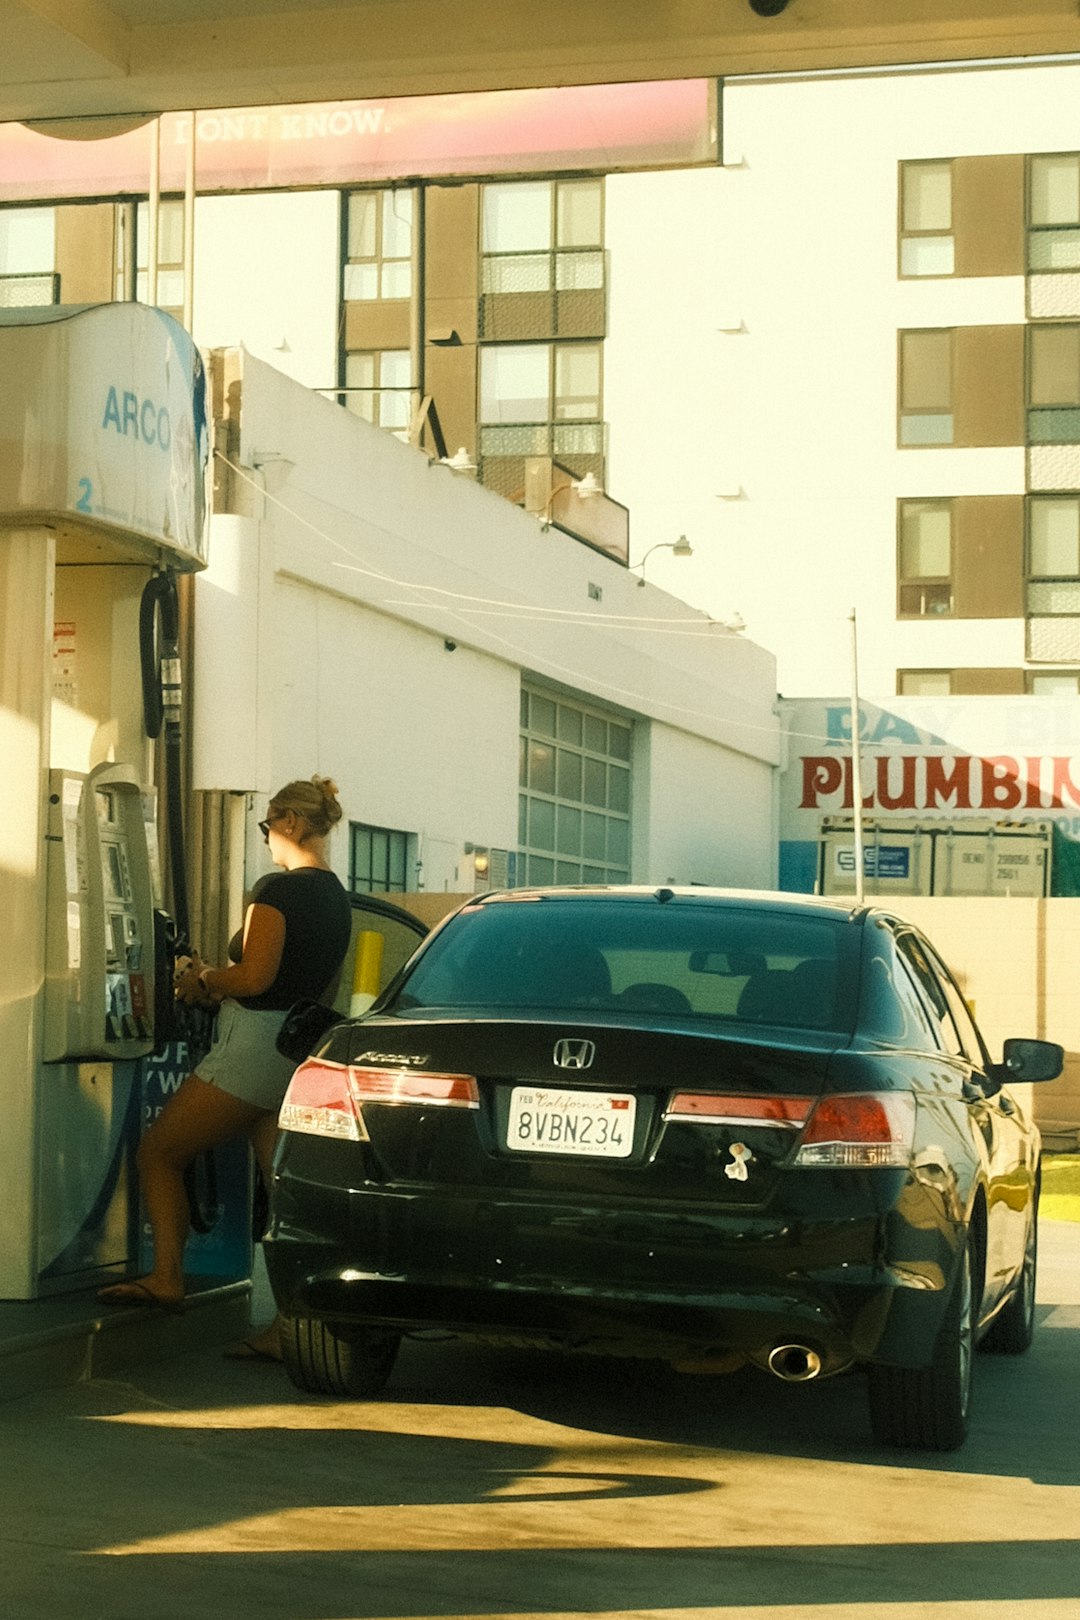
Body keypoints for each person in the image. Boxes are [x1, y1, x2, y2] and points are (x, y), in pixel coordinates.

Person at [98, 775, 353, 1361]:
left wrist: (204, 980)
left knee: (160, 1153)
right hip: (295, 1048)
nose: (265, 836)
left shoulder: (277, 891)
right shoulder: (337, 895)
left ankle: (166, 1277)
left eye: (267, 824)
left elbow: (255, 978)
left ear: (290, 822)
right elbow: (315, 982)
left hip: (253, 1044)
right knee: (283, 1195)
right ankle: (292, 1328)